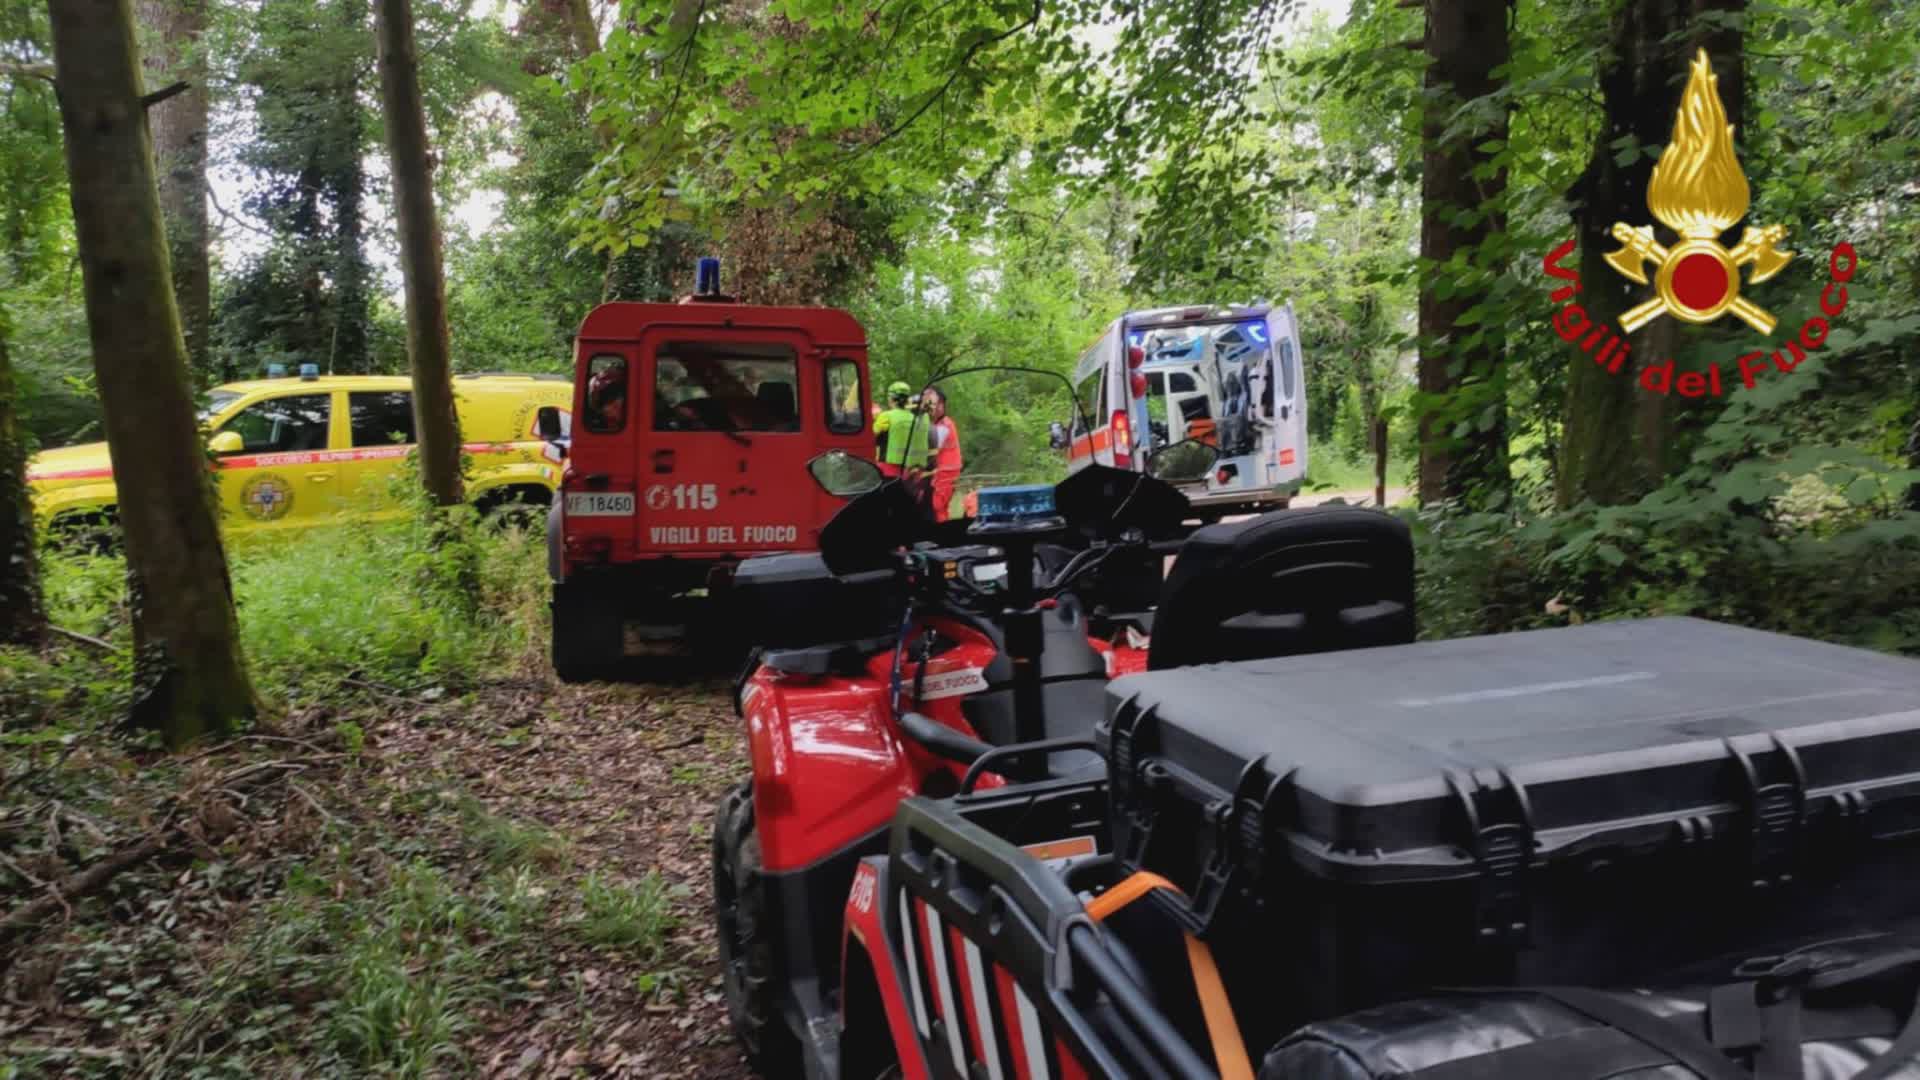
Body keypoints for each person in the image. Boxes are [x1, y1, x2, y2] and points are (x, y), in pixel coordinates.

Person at [872, 381, 931, 480]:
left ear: (892, 398)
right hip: (906, 470)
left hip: (887, 468)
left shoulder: (886, 416)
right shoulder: (914, 418)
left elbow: (870, 437)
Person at [922, 386, 962, 523]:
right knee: (939, 508)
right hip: (944, 471)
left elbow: (931, 446)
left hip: (945, 473)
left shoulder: (944, 425)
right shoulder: (939, 424)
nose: (927, 406)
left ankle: (941, 537)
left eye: (931, 402)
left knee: (936, 506)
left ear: (941, 405)